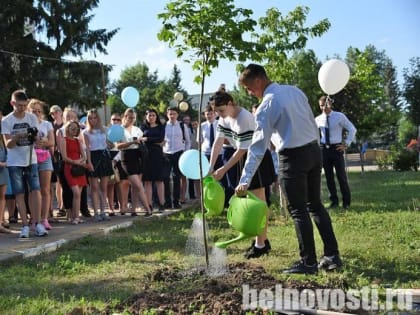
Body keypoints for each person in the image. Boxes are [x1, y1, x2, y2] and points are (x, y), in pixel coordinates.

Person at [236, 64, 342, 274]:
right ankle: (332, 255)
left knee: (298, 210)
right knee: (315, 205)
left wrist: (245, 179)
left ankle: (308, 262)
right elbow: (310, 122)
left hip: (292, 158)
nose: (250, 93)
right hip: (313, 151)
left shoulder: (267, 105)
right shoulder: (295, 91)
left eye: (249, 88)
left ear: (258, 81)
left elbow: (257, 147)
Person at [209, 91, 275, 259]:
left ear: (231, 103)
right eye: (216, 112)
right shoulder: (223, 118)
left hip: (254, 157)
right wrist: (211, 167)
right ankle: (258, 239)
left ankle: (261, 243)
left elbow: (242, 149)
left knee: (258, 200)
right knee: (247, 200)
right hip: (238, 158)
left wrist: (223, 169)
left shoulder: (244, 118)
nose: (219, 115)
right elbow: (217, 143)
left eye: (221, 110)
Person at [2, 90, 48, 238]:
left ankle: (37, 223)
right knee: (19, 193)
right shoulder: (6, 121)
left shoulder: (32, 117)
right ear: (12, 103)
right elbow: (8, 144)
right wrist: (18, 136)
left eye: (24, 105)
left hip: (31, 159)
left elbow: (36, 137)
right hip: (15, 162)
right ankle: (25, 226)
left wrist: (38, 140)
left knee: (35, 190)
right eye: (19, 105)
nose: (22, 108)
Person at [315, 96, 357, 209]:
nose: (323, 108)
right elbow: (313, 134)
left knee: (341, 176)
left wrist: (346, 143)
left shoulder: (339, 116)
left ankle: (346, 202)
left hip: (337, 149)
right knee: (328, 177)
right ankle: (334, 201)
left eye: (325, 105)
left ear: (330, 104)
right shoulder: (318, 119)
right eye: (321, 106)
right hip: (324, 150)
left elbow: (352, 129)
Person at [115, 108, 152, 216]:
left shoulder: (137, 129)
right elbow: (118, 145)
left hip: (138, 156)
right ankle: (148, 209)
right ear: (125, 117)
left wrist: (141, 140)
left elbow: (141, 140)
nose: (132, 120)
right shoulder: (120, 129)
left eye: (134, 118)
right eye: (130, 117)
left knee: (135, 187)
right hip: (126, 157)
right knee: (138, 185)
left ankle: (134, 210)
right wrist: (131, 142)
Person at [28, 99, 55, 230]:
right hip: (29, 158)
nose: (37, 113)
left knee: (45, 189)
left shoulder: (47, 124)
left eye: (39, 111)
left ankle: (44, 219)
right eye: (34, 111)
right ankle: (34, 219)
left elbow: (52, 142)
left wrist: (43, 141)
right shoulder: (26, 123)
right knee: (33, 190)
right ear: (29, 111)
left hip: (44, 157)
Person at [83, 109, 114, 221]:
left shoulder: (105, 129)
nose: (93, 120)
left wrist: (111, 144)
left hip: (104, 156)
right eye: (90, 118)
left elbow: (109, 144)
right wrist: (89, 162)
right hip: (93, 157)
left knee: (104, 187)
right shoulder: (86, 132)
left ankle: (103, 211)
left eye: (95, 117)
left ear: (98, 118)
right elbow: (87, 149)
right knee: (94, 188)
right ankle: (96, 212)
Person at [60, 120, 89, 224]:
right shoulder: (63, 140)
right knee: (76, 193)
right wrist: (75, 162)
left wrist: (81, 161)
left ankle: (75, 216)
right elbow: (64, 157)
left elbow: (84, 155)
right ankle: (74, 216)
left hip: (79, 169)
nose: (74, 130)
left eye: (76, 129)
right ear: (67, 129)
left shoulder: (78, 141)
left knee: (79, 194)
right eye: (72, 128)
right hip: (70, 168)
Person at [163, 107, 190, 209]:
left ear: (177, 115)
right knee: (165, 177)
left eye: (174, 114)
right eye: (170, 114)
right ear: (167, 114)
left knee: (176, 178)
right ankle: (167, 201)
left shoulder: (183, 126)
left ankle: (176, 201)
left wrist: (185, 153)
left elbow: (187, 141)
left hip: (179, 153)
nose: (172, 116)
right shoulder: (164, 126)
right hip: (166, 154)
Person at [140, 109, 166, 211]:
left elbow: (160, 139)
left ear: (156, 117)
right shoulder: (142, 127)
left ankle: (162, 204)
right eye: (149, 115)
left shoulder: (161, 127)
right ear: (146, 117)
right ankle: (149, 204)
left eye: (153, 115)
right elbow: (140, 139)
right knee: (147, 181)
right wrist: (152, 141)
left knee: (159, 180)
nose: (151, 117)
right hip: (146, 155)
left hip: (157, 155)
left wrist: (147, 139)